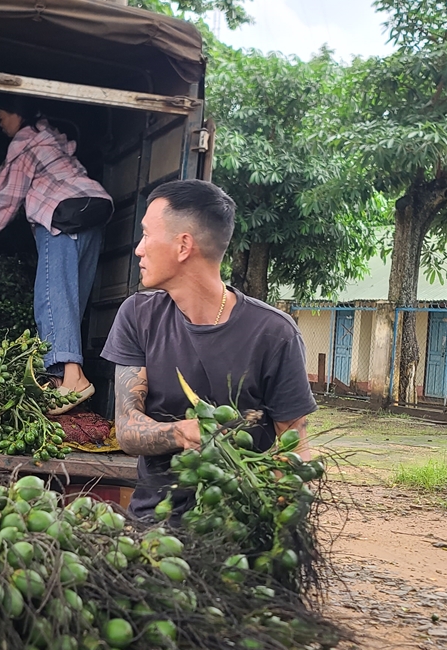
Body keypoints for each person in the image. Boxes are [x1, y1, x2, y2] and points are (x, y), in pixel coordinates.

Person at [101, 181, 316, 519]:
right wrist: (182, 432)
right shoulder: (138, 315)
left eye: (146, 235)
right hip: (155, 530)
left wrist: (278, 498)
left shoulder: (274, 333)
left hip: (238, 534)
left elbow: (295, 447)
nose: (138, 249)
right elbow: (127, 429)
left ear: (183, 245)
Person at [0, 99, 113, 411]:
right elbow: (31, 168)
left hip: (61, 215)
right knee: (71, 298)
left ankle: (73, 380)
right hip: (93, 210)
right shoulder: (47, 135)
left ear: (17, 113)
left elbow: (9, 195)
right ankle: (60, 378)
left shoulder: (24, 141)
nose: (0, 123)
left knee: (51, 297)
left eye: (1, 115)